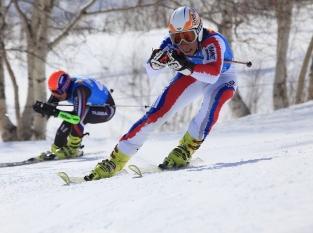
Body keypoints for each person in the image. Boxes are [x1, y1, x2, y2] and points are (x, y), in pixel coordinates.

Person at [84, 6, 238, 181]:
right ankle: (117, 159)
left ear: (199, 31)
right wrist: (157, 62)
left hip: (222, 77)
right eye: (177, 38)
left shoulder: (213, 41)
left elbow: (212, 75)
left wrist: (185, 66)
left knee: (212, 104)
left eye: (188, 37)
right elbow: (151, 71)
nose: (183, 44)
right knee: (157, 113)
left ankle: (186, 148)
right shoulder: (172, 43)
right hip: (191, 73)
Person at [33, 70, 116, 160]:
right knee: (68, 120)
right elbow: (51, 107)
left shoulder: (80, 90)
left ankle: (73, 149)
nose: (55, 95)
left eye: (57, 92)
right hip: (89, 107)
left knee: (80, 116)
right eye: (52, 91)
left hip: (107, 110)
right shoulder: (62, 88)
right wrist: (43, 109)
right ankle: (57, 148)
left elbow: (76, 119)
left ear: (65, 88)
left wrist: (54, 112)